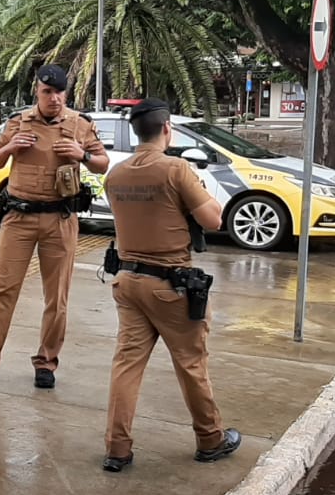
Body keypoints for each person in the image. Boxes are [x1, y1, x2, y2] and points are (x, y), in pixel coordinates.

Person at [101, 98, 242, 472]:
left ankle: (117, 448)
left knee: (126, 366)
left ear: (136, 131)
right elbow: (213, 220)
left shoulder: (115, 175)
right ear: (167, 129)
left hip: (128, 281)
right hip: (171, 286)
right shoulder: (176, 169)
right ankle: (210, 438)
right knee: (191, 362)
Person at [0, 64, 108, 390]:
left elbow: (102, 164)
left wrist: (81, 154)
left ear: (66, 94)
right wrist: (12, 147)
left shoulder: (80, 125)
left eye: (60, 93)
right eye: (48, 92)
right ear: (37, 91)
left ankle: (46, 364)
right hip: (19, 218)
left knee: (56, 297)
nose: (54, 99)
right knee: (1, 290)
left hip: (60, 219)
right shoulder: (18, 121)